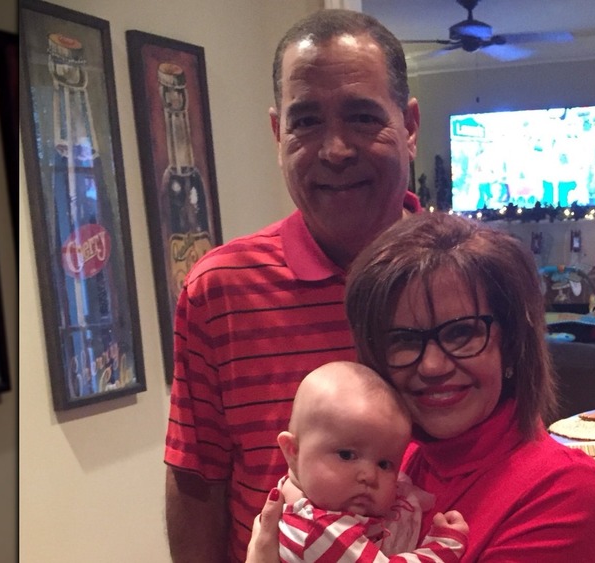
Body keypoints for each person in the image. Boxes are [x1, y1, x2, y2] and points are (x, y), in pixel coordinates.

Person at [164, 9, 421, 562]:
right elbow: (197, 479)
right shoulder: (219, 290)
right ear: (278, 133)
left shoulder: (468, 283)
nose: (334, 149)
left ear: (411, 126)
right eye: (306, 122)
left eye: (361, 117)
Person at [250, 212, 595, 562]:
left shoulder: (562, 489)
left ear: (512, 343)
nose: (432, 365)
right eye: (404, 340)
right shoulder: (390, 457)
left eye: (462, 333)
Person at [276, 360, 468, 561]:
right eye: (346, 455)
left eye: (384, 464)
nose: (369, 476)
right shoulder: (314, 529)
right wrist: (443, 547)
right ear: (293, 451)